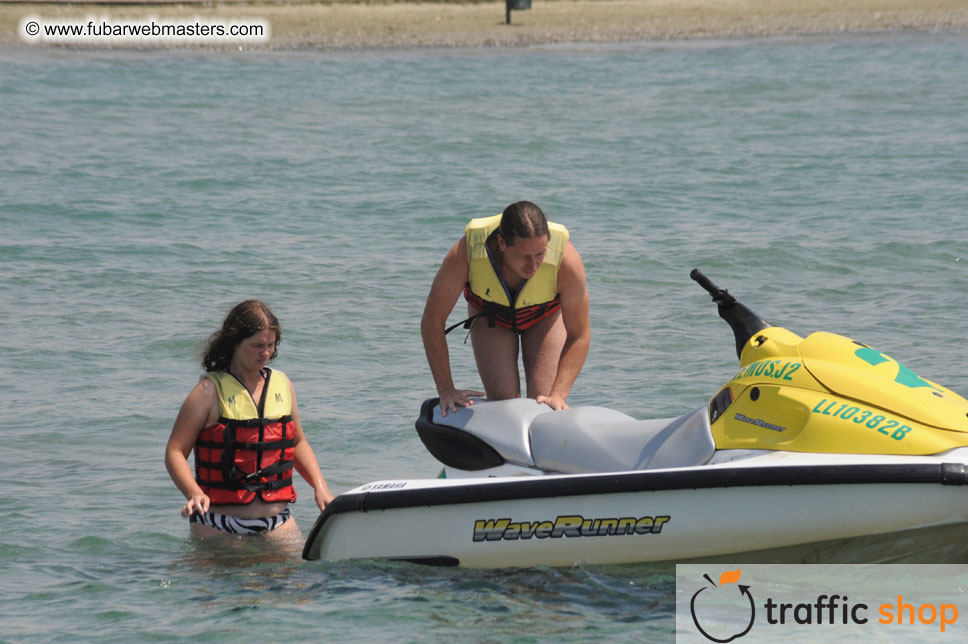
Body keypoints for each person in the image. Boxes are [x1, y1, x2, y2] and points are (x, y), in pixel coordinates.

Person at [165, 300, 334, 540]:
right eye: (257, 345)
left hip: (278, 520)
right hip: (217, 523)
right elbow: (175, 451)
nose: (265, 353)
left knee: (298, 577)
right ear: (234, 342)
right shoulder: (207, 392)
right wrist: (193, 493)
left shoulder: (283, 385)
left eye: (270, 345)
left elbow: (297, 443)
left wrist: (320, 486)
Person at [421, 201, 590, 416]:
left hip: (543, 316)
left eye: (540, 254)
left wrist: (559, 394)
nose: (534, 265)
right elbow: (432, 322)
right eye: (523, 256)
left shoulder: (567, 261)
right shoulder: (466, 253)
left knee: (544, 404)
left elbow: (580, 334)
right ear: (501, 243)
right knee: (505, 405)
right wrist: (446, 390)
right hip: (492, 317)